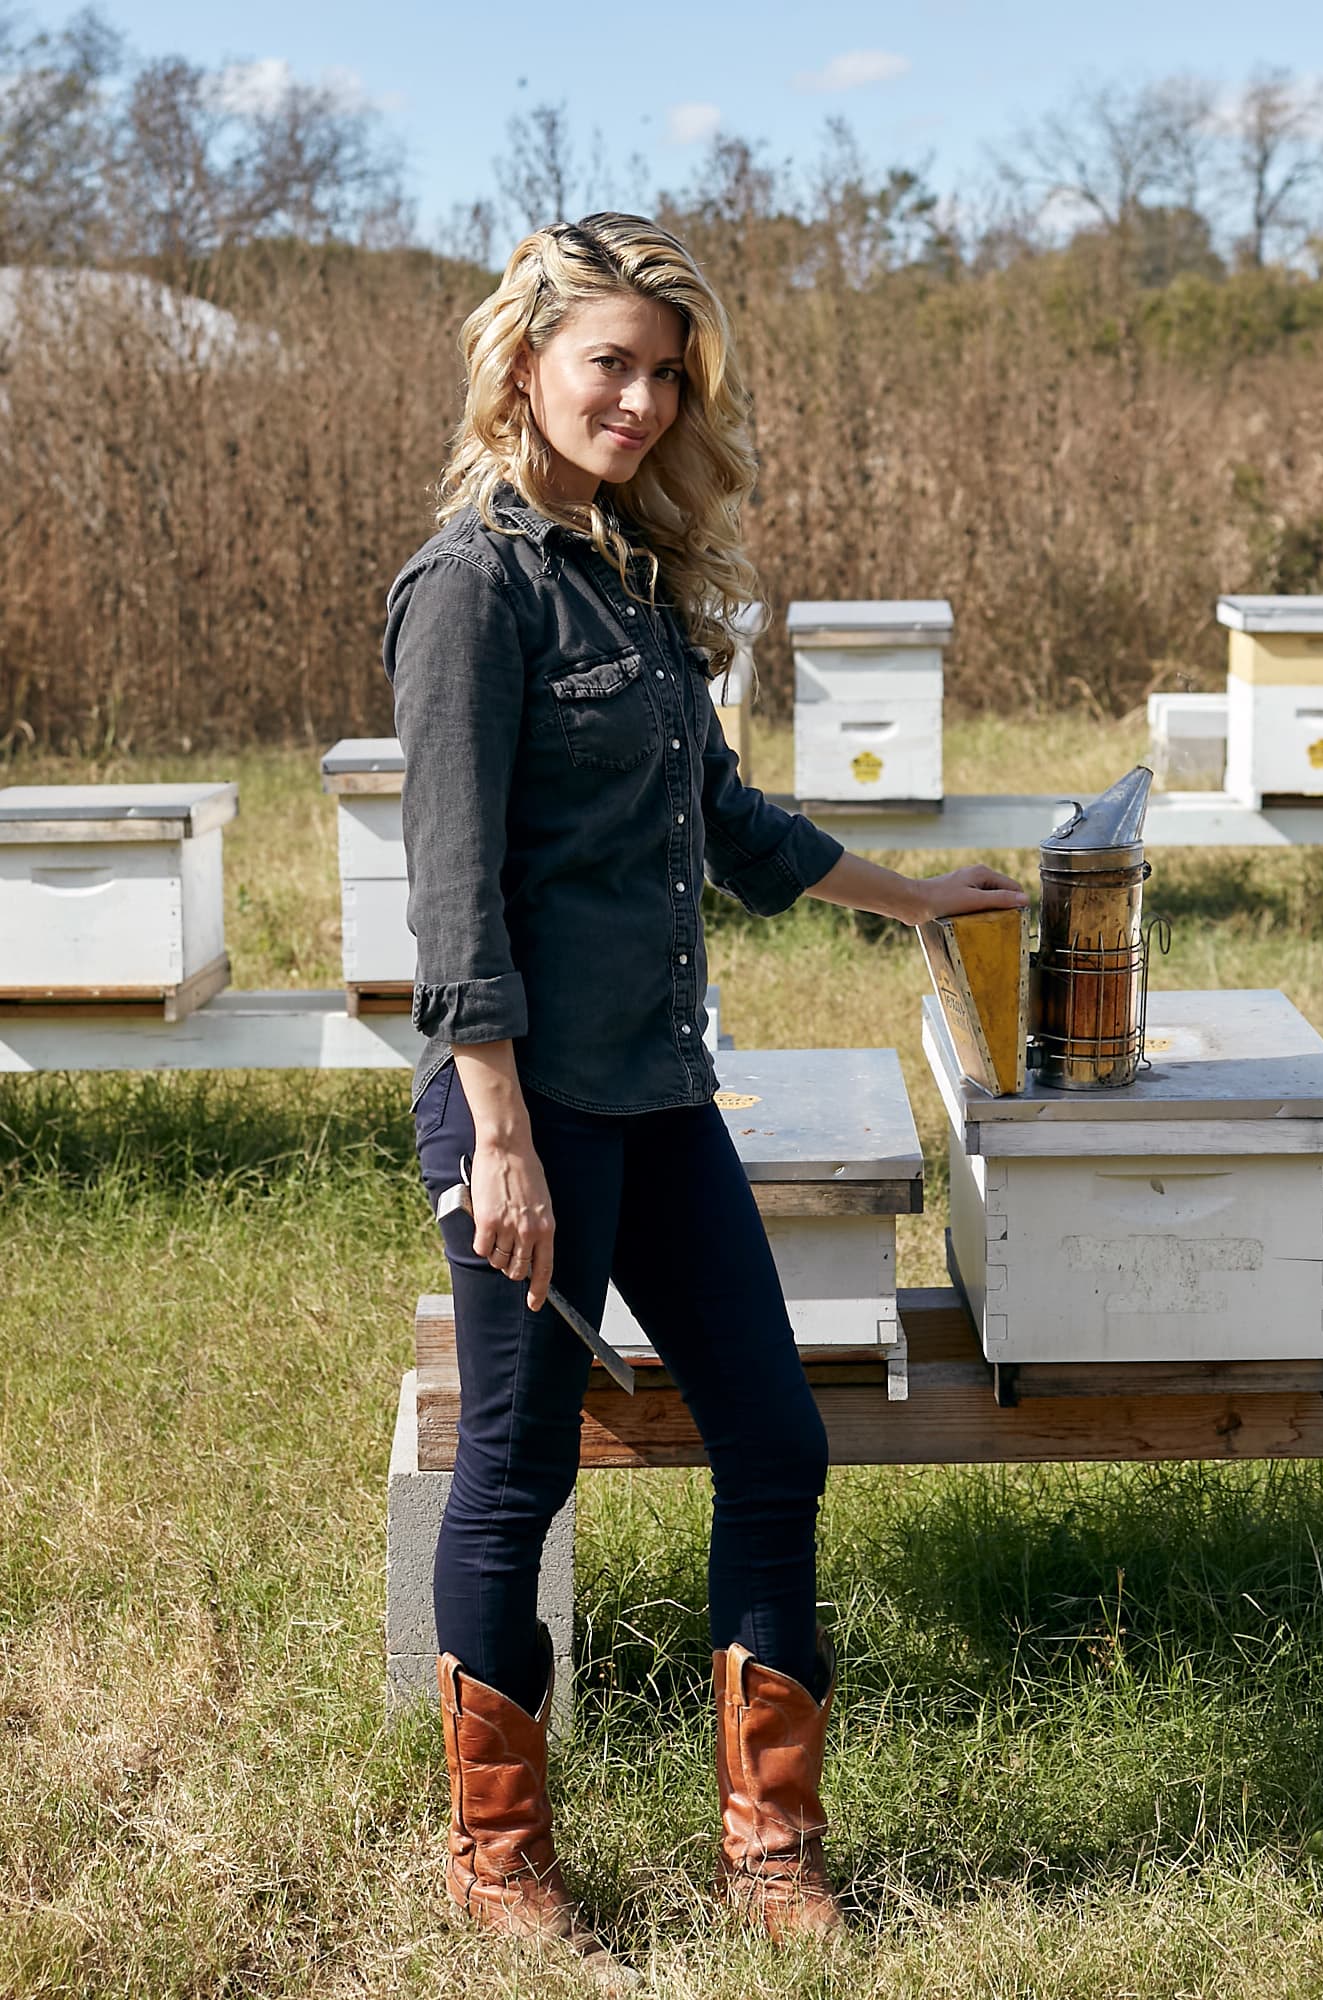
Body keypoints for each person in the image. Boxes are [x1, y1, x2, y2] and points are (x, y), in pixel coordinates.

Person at [385, 211, 1028, 1982]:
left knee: (778, 1438)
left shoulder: (633, 585)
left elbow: (730, 830)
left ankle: (771, 1843)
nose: (644, 400)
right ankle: (498, 1856)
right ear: (524, 363)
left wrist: (919, 893)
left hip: (661, 1097)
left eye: (668, 374)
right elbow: (450, 898)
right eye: (612, 362)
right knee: (514, 1476)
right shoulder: (472, 589)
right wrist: (497, 1127)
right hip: (525, 1105)